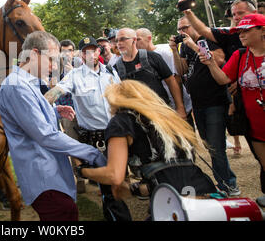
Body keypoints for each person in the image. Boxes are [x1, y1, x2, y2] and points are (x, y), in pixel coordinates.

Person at [0, 31, 106, 221]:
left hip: (50, 172)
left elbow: (29, 119)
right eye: (52, 60)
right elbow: (45, 135)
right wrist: (92, 153)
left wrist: (55, 112)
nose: (55, 67)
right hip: (43, 177)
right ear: (34, 54)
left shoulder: (28, 83)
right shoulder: (17, 86)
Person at [74, 80, 217, 219]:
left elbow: (114, 175)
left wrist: (82, 171)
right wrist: (132, 189)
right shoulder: (168, 117)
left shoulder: (122, 121)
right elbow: (170, 172)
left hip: (172, 200)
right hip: (204, 192)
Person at [199, 13, 265, 207]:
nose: (241, 35)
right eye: (239, 31)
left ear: (262, 30)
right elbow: (223, 79)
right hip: (254, 126)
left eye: (246, 30)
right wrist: (210, 63)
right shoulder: (240, 55)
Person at [170, 17, 240, 196]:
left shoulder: (208, 40)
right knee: (210, 145)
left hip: (215, 101)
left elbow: (219, 60)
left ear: (195, 25)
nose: (181, 31)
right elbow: (182, 70)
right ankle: (224, 182)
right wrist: (174, 50)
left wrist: (194, 45)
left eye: (184, 27)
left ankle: (228, 185)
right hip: (198, 103)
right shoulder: (185, 45)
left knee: (216, 147)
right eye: (179, 29)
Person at [44, 36, 121, 152]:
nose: (91, 55)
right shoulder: (74, 75)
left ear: (98, 51)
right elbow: (55, 92)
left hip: (117, 134)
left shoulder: (110, 72)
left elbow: (122, 96)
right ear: (81, 55)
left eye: (93, 51)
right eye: (86, 52)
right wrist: (39, 104)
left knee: (121, 169)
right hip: (93, 140)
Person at [113, 28, 187, 119]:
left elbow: (171, 81)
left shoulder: (152, 57)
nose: (119, 43)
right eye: (117, 41)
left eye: (123, 39)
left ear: (134, 40)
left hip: (161, 114)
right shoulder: (116, 68)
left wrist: (180, 107)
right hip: (136, 119)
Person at [136, 28, 194, 128]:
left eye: (138, 39)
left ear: (149, 38)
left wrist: (180, 107)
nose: (135, 43)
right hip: (163, 109)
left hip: (178, 106)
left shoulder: (163, 53)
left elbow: (176, 79)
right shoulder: (140, 58)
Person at [57, 39, 85, 193]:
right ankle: (79, 178)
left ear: (73, 52)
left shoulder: (80, 65)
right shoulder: (55, 67)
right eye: (63, 50)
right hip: (65, 110)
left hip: (82, 110)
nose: (66, 53)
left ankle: (93, 174)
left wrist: (73, 73)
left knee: (86, 142)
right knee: (73, 142)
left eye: (69, 50)